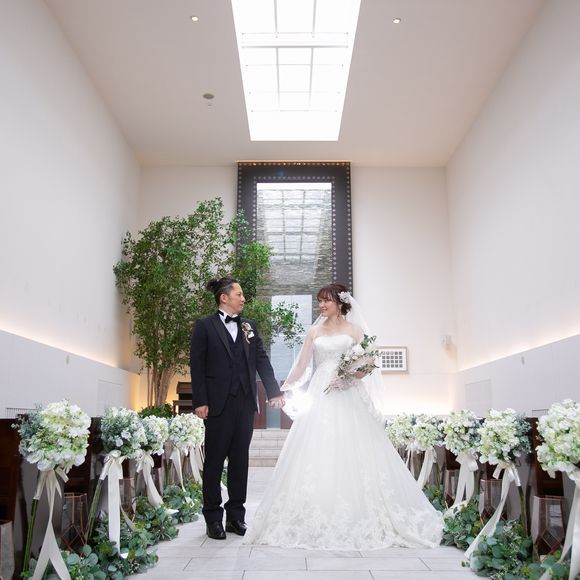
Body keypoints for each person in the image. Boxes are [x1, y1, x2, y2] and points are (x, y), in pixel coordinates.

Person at [244, 283, 443, 550]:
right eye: (319, 301)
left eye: (326, 301)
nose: (321, 305)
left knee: (356, 447)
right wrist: (281, 389)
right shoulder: (314, 332)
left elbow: (369, 362)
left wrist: (351, 377)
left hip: (349, 392)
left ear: (340, 303)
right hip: (321, 391)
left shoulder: (355, 330)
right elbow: (302, 365)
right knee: (318, 448)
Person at [190, 276, 285, 540]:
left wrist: (274, 391)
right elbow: (197, 365)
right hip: (217, 404)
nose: (243, 299)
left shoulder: (248, 326)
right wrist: (200, 401)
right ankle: (213, 519)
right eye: (239, 294)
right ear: (224, 297)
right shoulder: (204, 326)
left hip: (244, 402)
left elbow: (261, 359)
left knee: (240, 461)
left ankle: (235, 517)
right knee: (214, 462)